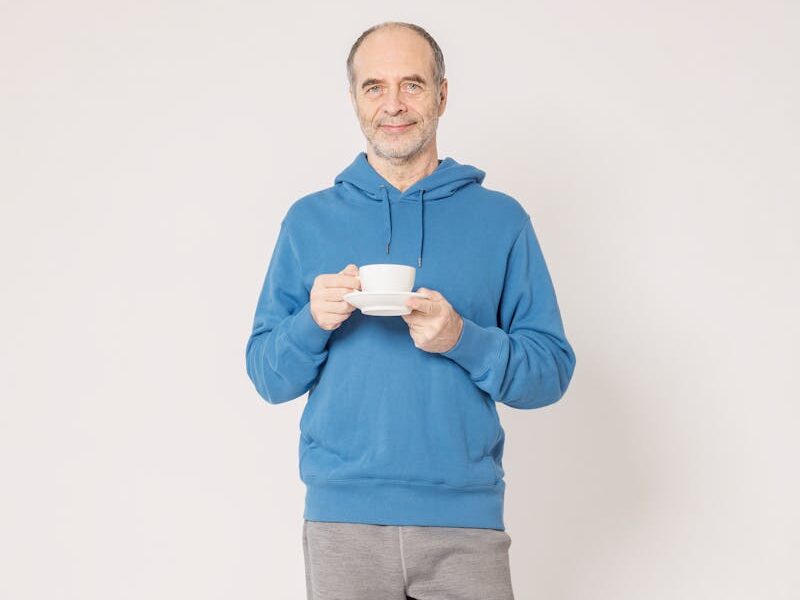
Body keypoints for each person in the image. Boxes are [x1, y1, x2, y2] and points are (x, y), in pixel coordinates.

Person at [245, 21, 577, 600]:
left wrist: (462, 339)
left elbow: (550, 372)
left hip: (464, 524)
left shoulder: (501, 221)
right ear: (354, 99)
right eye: (374, 87)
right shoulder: (308, 221)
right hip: (342, 522)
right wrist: (311, 323)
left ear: (442, 95)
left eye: (412, 85)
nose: (393, 105)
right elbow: (267, 377)